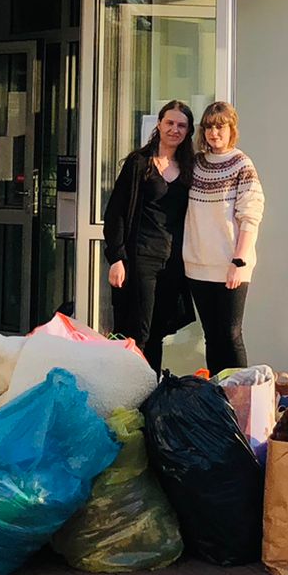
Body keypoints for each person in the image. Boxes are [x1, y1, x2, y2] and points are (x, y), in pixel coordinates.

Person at [104, 99, 196, 371]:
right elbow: (116, 213)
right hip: (141, 258)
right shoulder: (139, 163)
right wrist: (116, 257)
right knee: (139, 331)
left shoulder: (191, 167)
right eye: (170, 123)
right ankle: (133, 388)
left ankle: (151, 388)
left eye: (181, 125)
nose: (174, 129)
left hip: (173, 262)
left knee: (158, 331)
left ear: (188, 131)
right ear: (159, 124)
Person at [182, 100, 265, 374]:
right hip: (197, 264)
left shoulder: (241, 164)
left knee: (231, 333)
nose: (213, 133)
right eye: (208, 127)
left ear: (232, 129)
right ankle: (218, 393)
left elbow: (250, 215)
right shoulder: (195, 164)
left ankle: (240, 393)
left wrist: (239, 261)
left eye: (220, 127)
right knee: (212, 335)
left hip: (231, 264)